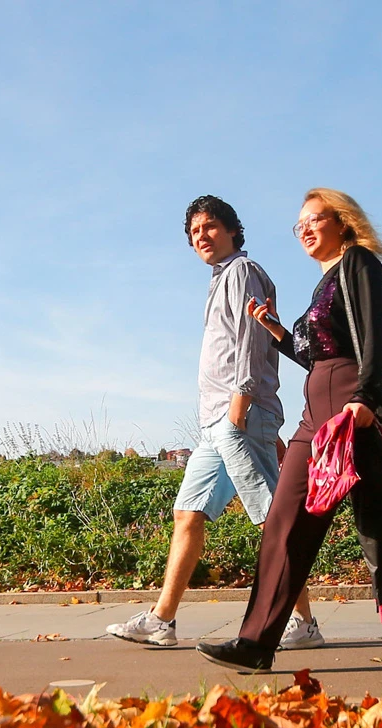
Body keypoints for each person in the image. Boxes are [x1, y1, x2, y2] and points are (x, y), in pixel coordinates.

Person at [198, 189, 382, 673]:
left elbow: (376, 336)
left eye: (314, 219)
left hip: (350, 408)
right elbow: (314, 355)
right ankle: (256, 641)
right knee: (286, 521)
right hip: (316, 411)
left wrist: (365, 399)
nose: (304, 229)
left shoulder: (359, 264)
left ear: (342, 221)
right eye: (298, 224)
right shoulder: (324, 281)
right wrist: (276, 330)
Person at [106, 196, 321, 649]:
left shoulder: (243, 272)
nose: (200, 236)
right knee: (188, 513)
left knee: (271, 519)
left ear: (231, 230)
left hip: (236, 414)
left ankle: (304, 624)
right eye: (194, 232)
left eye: (209, 227)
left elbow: (250, 336)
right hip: (216, 424)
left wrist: (241, 401)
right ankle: (162, 620)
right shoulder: (221, 279)